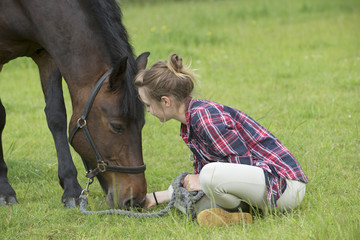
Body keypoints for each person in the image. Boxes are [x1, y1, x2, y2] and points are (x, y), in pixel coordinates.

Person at [135, 53, 309, 227]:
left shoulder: (204, 118)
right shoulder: (189, 124)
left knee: (208, 176)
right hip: (259, 186)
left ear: (165, 101)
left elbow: (243, 164)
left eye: (148, 105)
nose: (148, 110)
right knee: (186, 186)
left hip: (283, 187)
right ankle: (235, 214)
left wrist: (201, 179)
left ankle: (232, 210)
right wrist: (159, 197)